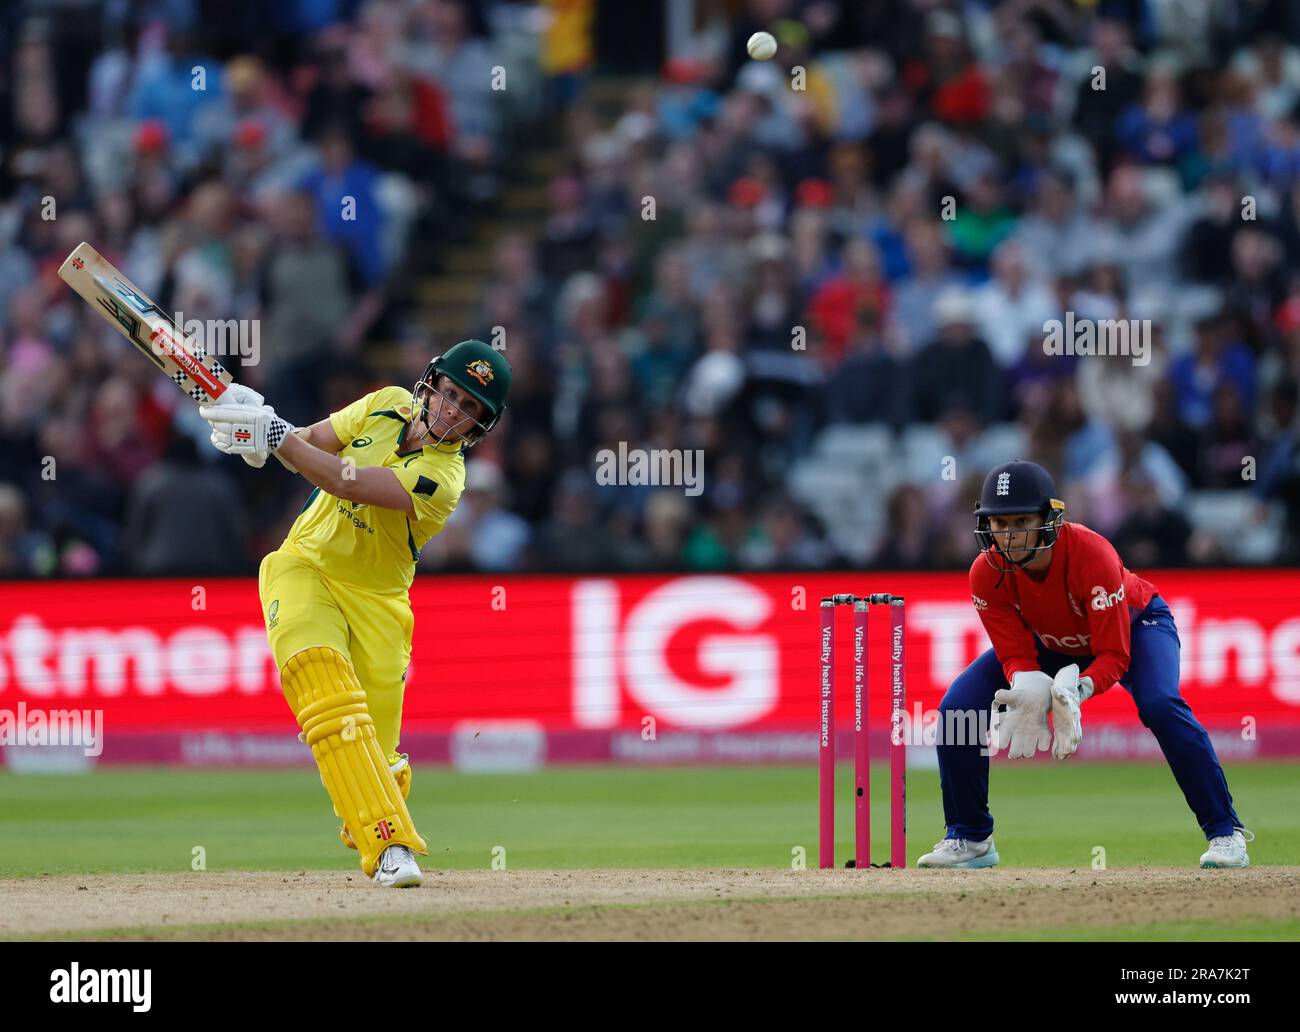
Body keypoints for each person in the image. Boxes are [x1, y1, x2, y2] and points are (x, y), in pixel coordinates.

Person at [198, 339, 512, 887]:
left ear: (479, 427)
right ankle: (392, 847)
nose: (451, 411)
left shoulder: (445, 479)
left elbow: (341, 479)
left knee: (376, 753)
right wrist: (256, 433)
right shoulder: (386, 402)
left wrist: (273, 436)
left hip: (379, 606)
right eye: (450, 394)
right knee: (326, 693)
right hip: (304, 568)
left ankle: (375, 800)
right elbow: (312, 443)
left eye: (468, 409)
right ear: (432, 383)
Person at [918, 460, 1251, 870]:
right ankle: (970, 837)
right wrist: (1027, 682)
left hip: (1137, 625)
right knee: (957, 708)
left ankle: (1225, 831)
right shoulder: (986, 573)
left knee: (1160, 705)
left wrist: (1077, 689)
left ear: (1050, 519)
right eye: (1000, 523)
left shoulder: (1092, 555)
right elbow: (1016, 653)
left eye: (1022, 520)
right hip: (1052, 641)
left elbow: (1114, 655)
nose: (1010, 535)